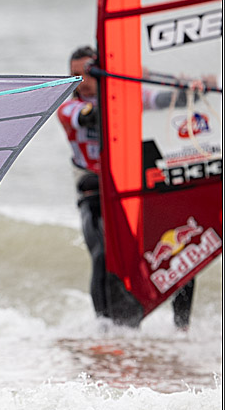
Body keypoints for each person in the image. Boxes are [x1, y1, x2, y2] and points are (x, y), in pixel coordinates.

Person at [57, 46, 195, 328]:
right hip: (93, 190)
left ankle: (182, 329)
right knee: (102, 253)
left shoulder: (126, 95)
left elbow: (170, 100)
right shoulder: (68, 107)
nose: (80, 81)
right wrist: (119, 83)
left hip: (132, 187)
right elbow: (91, 115)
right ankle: (105, 329)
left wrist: (191, 88)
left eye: (87, 74)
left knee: (182, 249)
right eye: (75, 75)